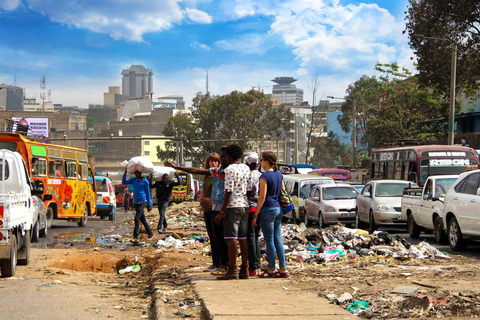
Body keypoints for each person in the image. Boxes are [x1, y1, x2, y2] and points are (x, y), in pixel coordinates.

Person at [166, 148, 229, 274]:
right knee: (212, 236)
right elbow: (196, 173)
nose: (214, 164)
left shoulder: (221, 173)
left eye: (216, 161)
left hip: (217, 208)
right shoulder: (208, 175)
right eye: (211, 161)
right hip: (207, 208)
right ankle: (215, 262)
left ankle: (221, 263)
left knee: (218, 237)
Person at [215, 144, 251, 280]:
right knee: (243, 238)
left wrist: (222, 212)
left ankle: (232, 269)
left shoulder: (229, 170)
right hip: (244, 205)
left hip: (232, 206)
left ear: (229, 156)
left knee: (232, 238)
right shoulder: (246, 168)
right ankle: (244, 269)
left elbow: (228, 191)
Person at [252, 151, 288, 278]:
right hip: (279, 209)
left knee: (269, 240)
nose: (260, 162)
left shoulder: (264, 177)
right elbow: (283, 191)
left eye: (261, 160)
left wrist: (255, 215)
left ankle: (271, 269)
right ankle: (283, 268)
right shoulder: (279, 174)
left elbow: (262, 197)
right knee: (278, 239)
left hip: (268, 209)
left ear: (266, 161)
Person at [122, 167, 154, 243]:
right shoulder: (133, 180)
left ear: (141, 173)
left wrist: (149, 204)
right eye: (135, 173)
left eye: (138, 173)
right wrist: (125, 172)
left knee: (137, 218)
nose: (137, 174)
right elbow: (124, 182)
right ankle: (150, 233)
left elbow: (148, 193)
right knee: (142, 219)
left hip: (142, 202)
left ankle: (135, 236)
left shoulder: (145, 181)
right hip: (136, 202)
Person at [245, 152, 262, 276]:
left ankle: (253, 267)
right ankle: (257, 264)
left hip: (251, 209)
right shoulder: (262, 176)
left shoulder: (248, 176)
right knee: (256, 236)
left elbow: (249, 193)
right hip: (260, 209)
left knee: (250, 237)